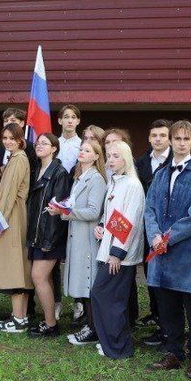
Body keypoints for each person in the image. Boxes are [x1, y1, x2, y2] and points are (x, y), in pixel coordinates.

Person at [144, 120, 191, 378]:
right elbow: (149, 208)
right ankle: (174, 351)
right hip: (161, 252)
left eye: (187, 139)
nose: (182, 143)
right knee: (167, 305)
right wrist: (154, 235)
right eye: (178, 139)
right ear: (171, 141)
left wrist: (168, 237)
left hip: (189, 252)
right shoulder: (161, 174)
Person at [89, 141, 146, 359]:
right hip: (109, 249)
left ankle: (118, 346)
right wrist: (101, 227)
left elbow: (129, 221)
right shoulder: (114, 181)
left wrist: (117, 253)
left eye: (115, 156)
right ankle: (110, 342)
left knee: (108, 298)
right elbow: (111, 214)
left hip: (120, 256)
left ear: (126, 159)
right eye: (108, 156)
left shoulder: (131, 184)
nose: (111, 160)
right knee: (106, 297)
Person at [24, 133, 72, 337]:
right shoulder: (36, 170)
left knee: (38, 276)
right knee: (46, 279)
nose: (39, 146)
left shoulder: (59, 172)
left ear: (54, 148)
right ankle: (49, 320)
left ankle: (51, 325)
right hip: (36, 234)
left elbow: (58, 208)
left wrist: (49, 240)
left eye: (45, 143)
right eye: (38, 143)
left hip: (49, 237)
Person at [61, 139, 107, 343]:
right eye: (81, 149)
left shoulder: (96, 179)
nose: (82, 152)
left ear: (96, 156)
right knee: (82, 283)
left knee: (88, 283)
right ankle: (90, 325)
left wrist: (68, 212)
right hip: (77, 235)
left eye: (87, 150)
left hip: (87, 238)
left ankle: (94, 328)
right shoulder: (79, 177)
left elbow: (93, 211)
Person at [0, 124, 32, 333]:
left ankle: (17, 319)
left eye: (12, 138)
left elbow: (7, 195)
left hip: (11, 217)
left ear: (20, 139)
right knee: (19, 267)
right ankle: (20, 317)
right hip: (13, 215)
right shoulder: (14, 159)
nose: (7, 141)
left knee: (16, 268)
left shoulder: (18, 160)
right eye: (5, 137)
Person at [135, 119, 171, 337]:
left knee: (166, 276)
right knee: (150, 273)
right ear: (149, 138)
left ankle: (168, 323)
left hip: (168, 228)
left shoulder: (174, 162)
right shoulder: (141, 162)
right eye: (154, 135)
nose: (158, 139)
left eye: (163, 135)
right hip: (147, 225)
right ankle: (157, 315)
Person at [56, 105, 83, 172]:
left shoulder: (82, 145)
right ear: (60, 121)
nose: (70, 121)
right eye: (66, 117)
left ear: (78, 121)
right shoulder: (54, 144)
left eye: (73, 117)